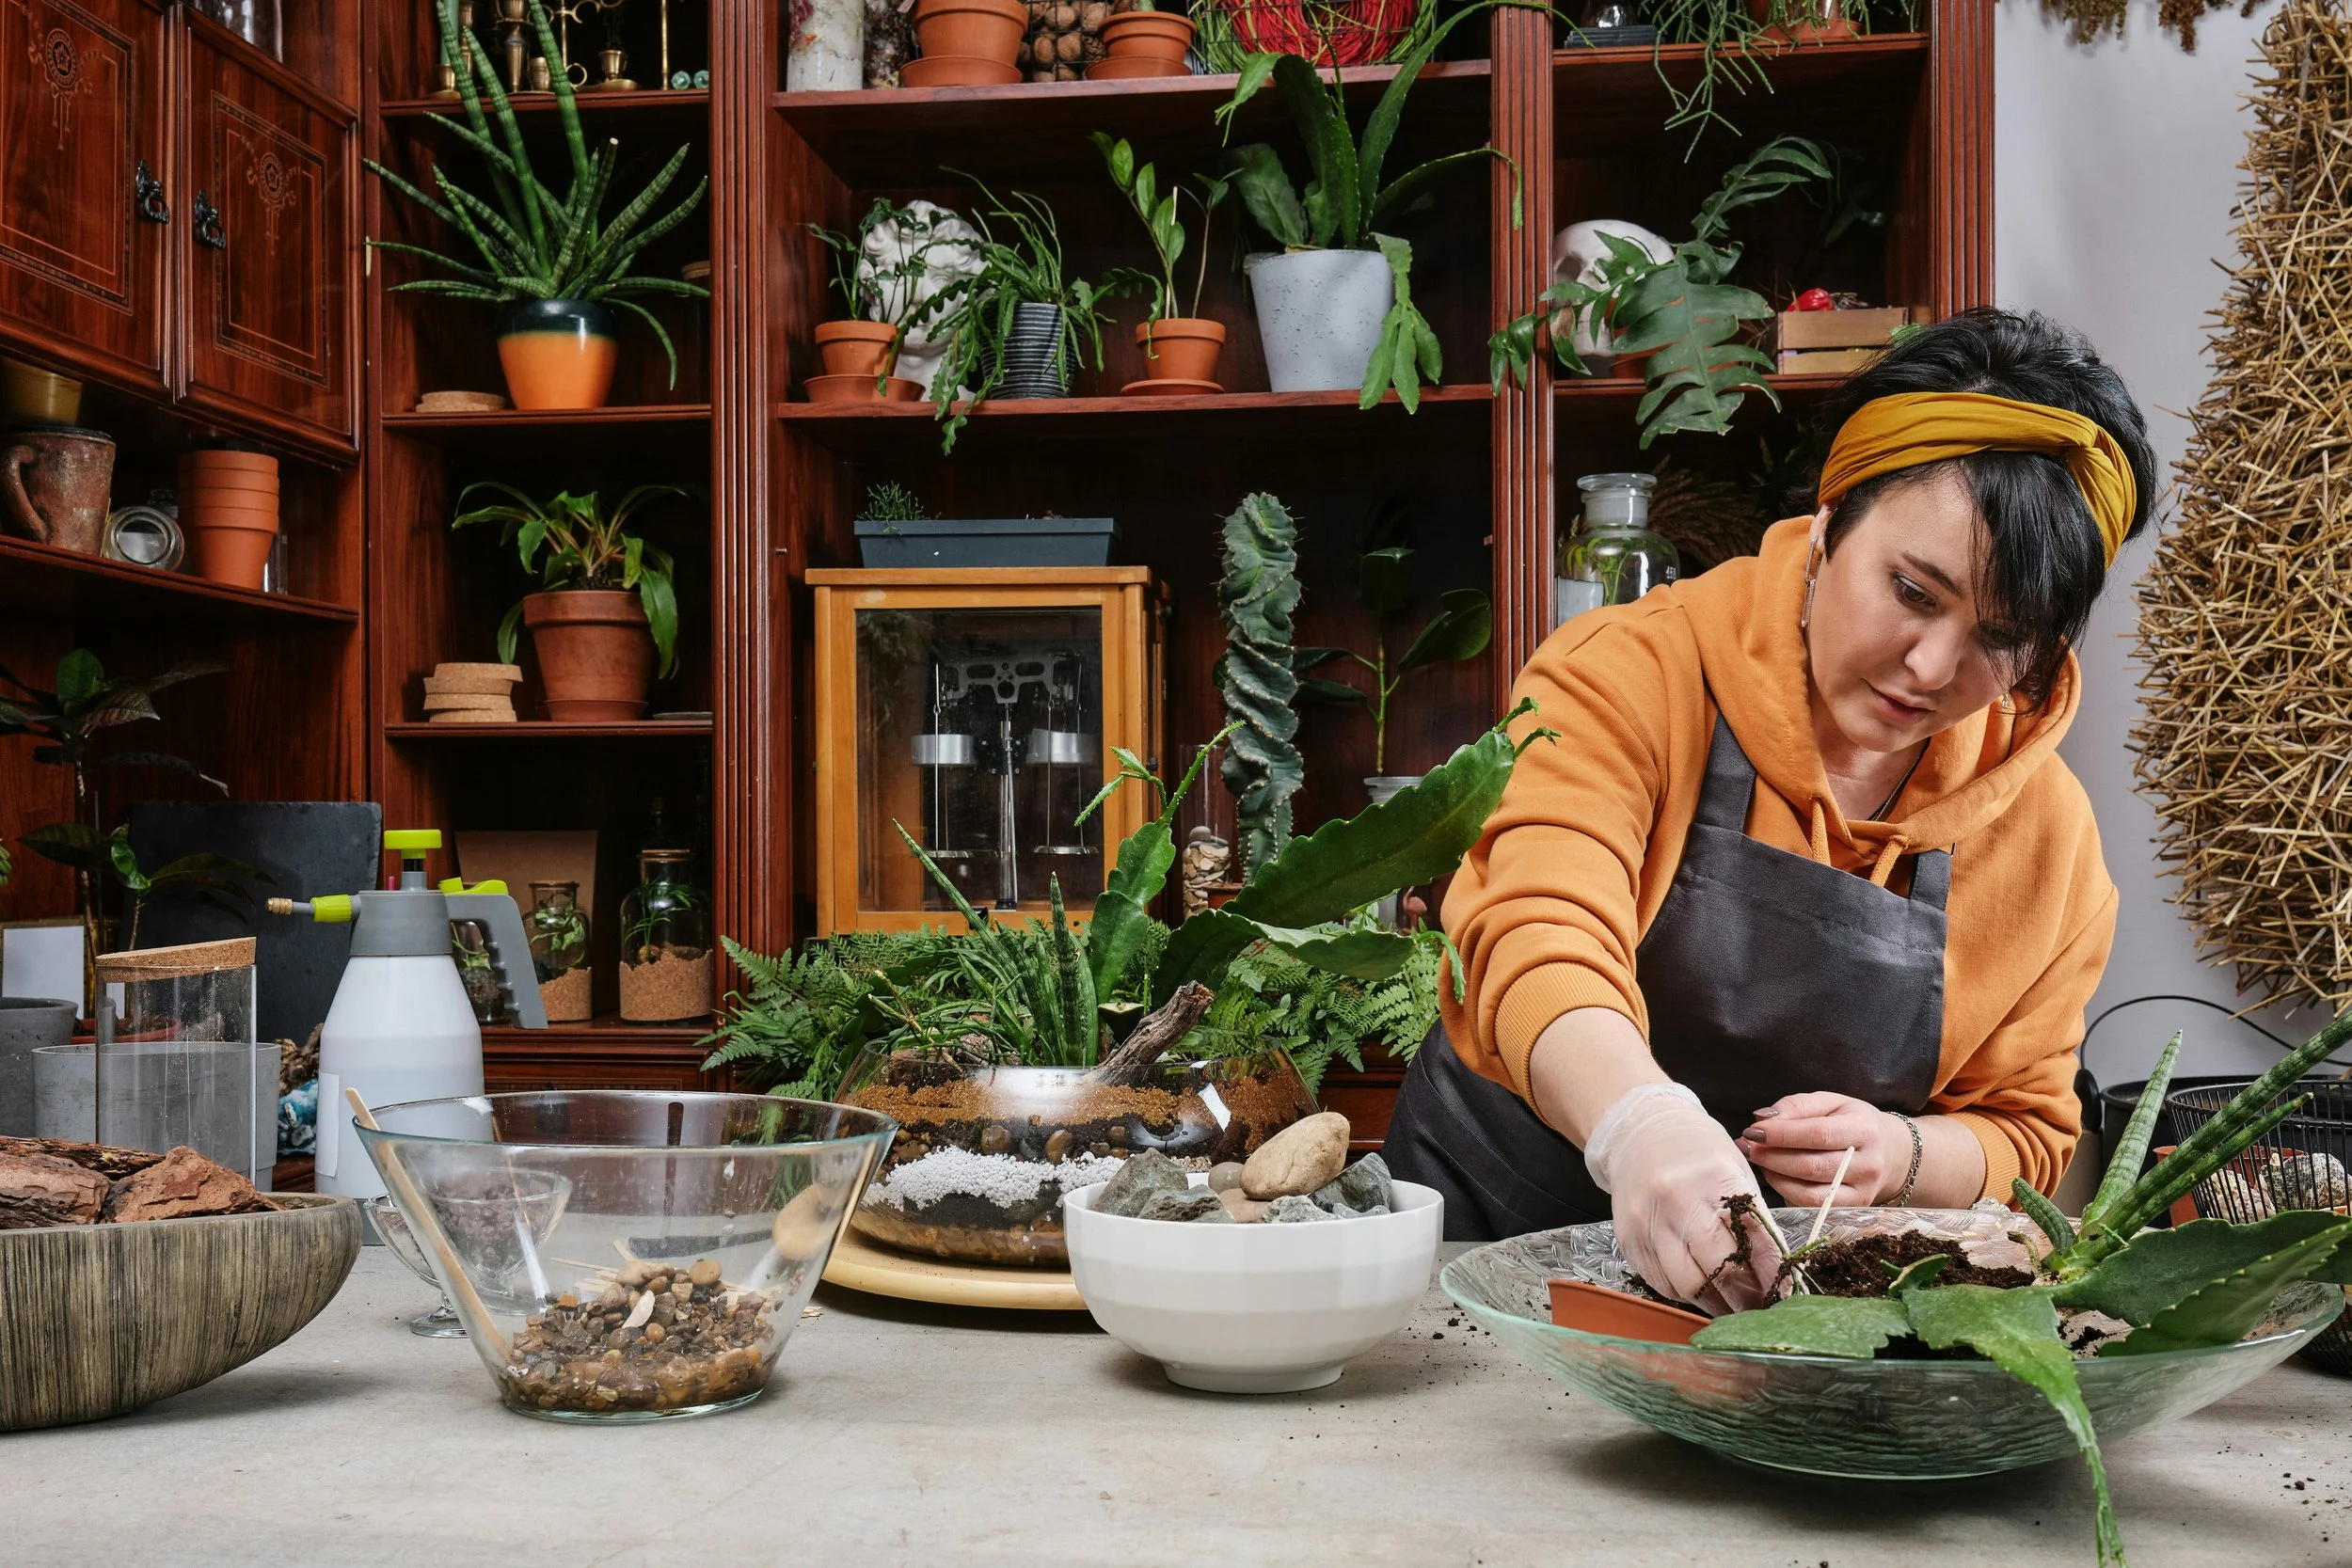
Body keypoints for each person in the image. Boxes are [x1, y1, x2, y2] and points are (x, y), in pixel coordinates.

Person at [1384, 308, 2156, 1311]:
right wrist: (1641, 1125)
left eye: (1998, 636)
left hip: (1772, 1318)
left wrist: (1905, 1151)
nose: (1930, 668)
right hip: (1486, 1253)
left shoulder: (2047, 840)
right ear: (1831, 523)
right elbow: (1536, 930)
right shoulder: (1628, 673)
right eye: (1912, 591)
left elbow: (2028, 1130)